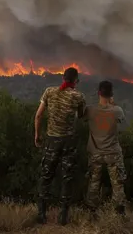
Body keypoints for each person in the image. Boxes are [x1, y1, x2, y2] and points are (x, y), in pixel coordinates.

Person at [34, 67, 86, 225]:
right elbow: (82, 115)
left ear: (63, 78)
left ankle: (42, 215)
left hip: (51, 141)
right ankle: (63, 218)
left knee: (46, 177)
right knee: (67, 178)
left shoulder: (49, 91)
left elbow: (38, 115)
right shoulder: (78, 96)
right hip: (68, 143)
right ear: (75, 81)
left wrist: (37, 135)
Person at [84, 80, 127, 218]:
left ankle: (92, 213)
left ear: (99, 93)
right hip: (113, 154)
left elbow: (80, 116)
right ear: (111, 94)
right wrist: (112, 104)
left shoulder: (90, 110)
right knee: (118, 184)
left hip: (95, 153)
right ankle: (119, 214)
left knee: (93, 183)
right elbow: (121, 120)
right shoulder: (117, 110)